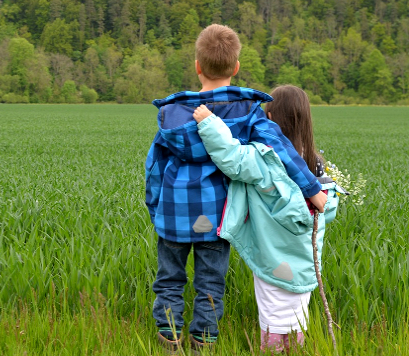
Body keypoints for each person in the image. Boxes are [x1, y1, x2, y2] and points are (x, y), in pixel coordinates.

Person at [145, 25, 327, 354]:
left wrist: (155, 207)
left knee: (169, 277)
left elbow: (154, 166)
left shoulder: (171, 115)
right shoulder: (247, 113)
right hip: (217, 214)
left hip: (173, 212)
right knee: (210, 281)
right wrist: (313, 190)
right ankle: (204, 341)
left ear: (197, 66)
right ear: (237, 67)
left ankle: (168, 339)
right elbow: (282, 151)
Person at [192, 85, 342, 353]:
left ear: (269, 120)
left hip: (272, 256)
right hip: (305, 261)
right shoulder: (317, 165)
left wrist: (209, 123)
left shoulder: (266, 159)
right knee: (297, 316)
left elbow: (231, 156)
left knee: (273, 316)